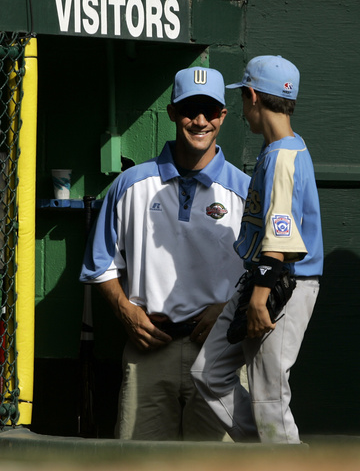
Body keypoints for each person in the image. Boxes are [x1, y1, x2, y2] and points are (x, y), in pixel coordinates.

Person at [79, 66, 251, 441]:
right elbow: (100, 265)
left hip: (219, 352)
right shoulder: (130, 185)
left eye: (210, 110)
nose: (200, 120)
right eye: (190, 109)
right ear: (172, 112)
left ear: (223, 115)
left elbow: (264, 273)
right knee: (139, 464)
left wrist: (227, 310)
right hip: (149, 350)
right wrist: (127, 313)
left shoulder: (246, 192)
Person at [191, 55, 324, 444]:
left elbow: (280, 240)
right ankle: (268, 454)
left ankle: (282, 462)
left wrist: (259, 298)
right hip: (263, 278)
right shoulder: (282, 149)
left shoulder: (283, 156)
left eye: (243, 99)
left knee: (269, 396)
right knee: (208, 373)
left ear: (251, 96)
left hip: (283, 282)